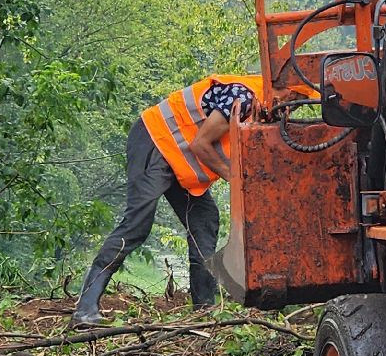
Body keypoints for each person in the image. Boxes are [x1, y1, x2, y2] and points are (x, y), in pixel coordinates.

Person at [71, 74, 261, 327]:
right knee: (137, 225)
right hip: (155, 141)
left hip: (179, 161)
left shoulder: (260, 110)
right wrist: (235, 179)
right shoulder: (242, 96)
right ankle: (85, 309)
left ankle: (204, 312)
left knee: (204, 221)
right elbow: (201, 144)